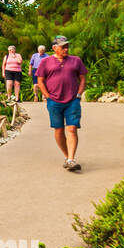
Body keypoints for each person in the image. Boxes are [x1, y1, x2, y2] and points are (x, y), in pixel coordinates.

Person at [37, 35, 87, 172]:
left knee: (71, 128)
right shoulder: (45, 62)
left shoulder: (76, 61)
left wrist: (78, 94)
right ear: (54, 48)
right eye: (63, 47)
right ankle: (67, 157)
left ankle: (71, 159)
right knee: (58, 129)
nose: (66, 49)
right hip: (54, 101)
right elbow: (40, 81)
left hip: (72, 101)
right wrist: (47, 96)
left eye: (67, 46)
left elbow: (82, 79)